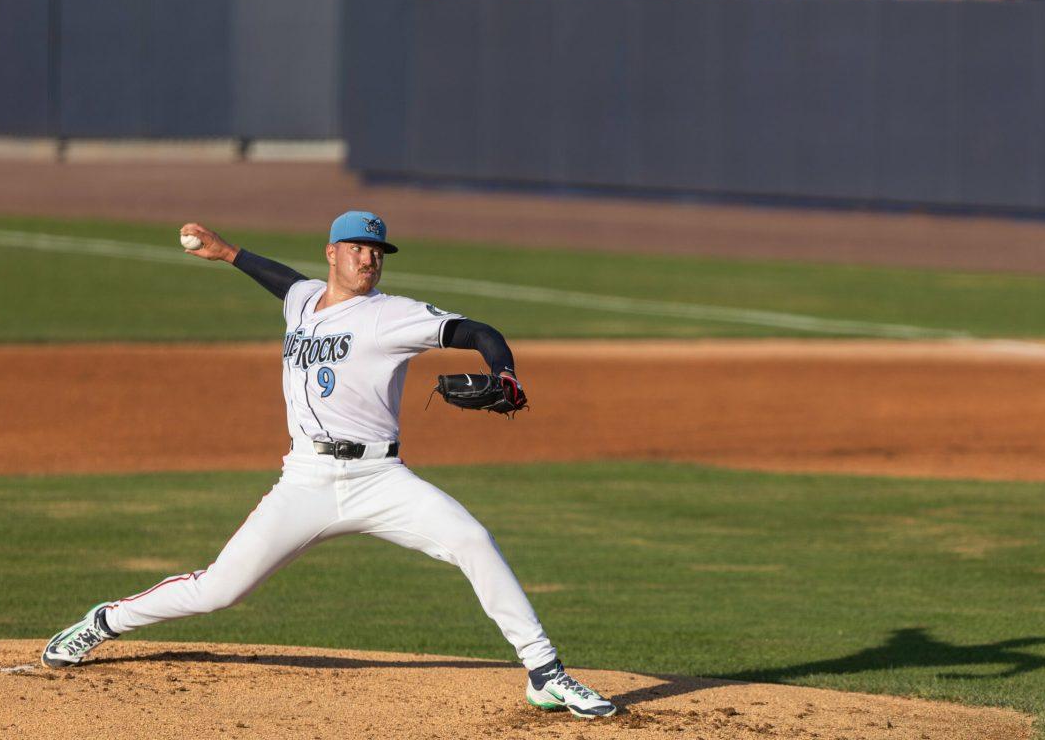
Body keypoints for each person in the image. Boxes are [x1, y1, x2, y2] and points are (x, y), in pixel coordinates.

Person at [40, 211, 616, 720]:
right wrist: (228, 253)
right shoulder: (304, 299)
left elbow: (474, 331)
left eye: (378, 252)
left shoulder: (392, 315)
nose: (370, 259)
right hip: (305, 483)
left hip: (381, 481)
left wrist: (505, 370)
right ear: (333, 253)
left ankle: (545, 673)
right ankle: (105, 621)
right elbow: (283, 282)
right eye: (360, 249)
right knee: (219, 590)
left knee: (472, 539)